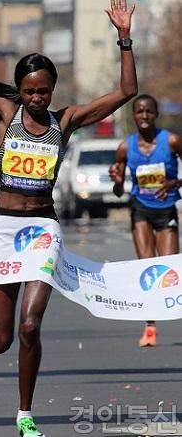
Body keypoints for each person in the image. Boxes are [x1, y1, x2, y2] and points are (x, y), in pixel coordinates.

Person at [0, 0, 137, 436]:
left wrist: (125, 38)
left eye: (43, 91)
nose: (36, 99)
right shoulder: (5, 113)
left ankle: (25, 413)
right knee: (4, 341)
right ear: (20, 90)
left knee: (31, 325)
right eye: (29, 91)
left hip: (43, 229)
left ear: (53, 91)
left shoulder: (64, 122)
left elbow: (127, 90)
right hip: (4, 229)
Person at [109, 94, 182, 348]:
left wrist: (175, 182)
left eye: (149, 111)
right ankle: (150, 327)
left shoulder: (171, 141)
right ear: (133, 115)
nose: (144, 116)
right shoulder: (125, 147)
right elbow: (118, 192)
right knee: (147, 269)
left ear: (156, 114)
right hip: (140, 209)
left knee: (170, 269)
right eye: (139, 111)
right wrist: (118, 182)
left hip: (166, 210)